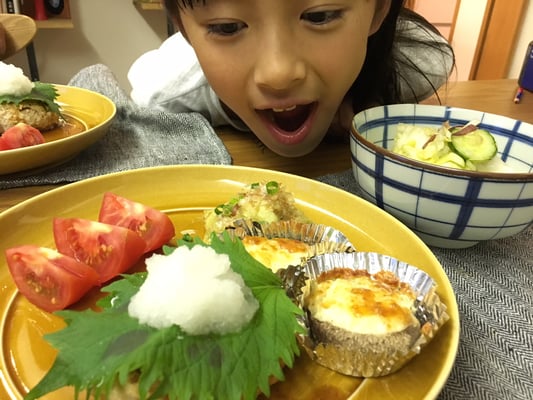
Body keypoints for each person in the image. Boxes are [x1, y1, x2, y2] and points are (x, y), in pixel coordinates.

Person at [128, 0, 454, 157]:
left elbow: (437, 54)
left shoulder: (414, 64)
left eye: (319, 16)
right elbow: (145, 93)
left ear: (379, 11)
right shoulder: (170, 90)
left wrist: (365, 98)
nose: (278, 74)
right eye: (227, 27)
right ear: (185, 32)